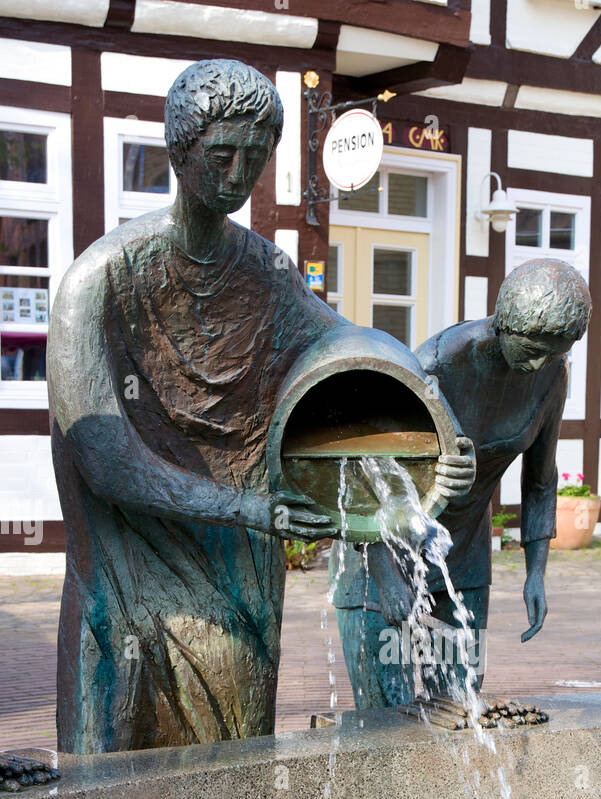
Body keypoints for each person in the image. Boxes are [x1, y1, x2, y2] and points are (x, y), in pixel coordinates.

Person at [48, 59, 473, 753]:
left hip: (233, 553)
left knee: (238, 750)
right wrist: (251, 510)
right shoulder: (97, 282)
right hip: (132, 549)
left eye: (256, 156)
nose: (238, 175)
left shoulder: (266, 271)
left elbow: (346, 339)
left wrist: (437, 420)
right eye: (220, 155)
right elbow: (106, 459)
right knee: (114, 760)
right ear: (179, 151)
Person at [330, 258, 592, 707]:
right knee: (386, 721)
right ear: (503, 325)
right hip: (381, 553)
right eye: (531, 347)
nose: (540, 362)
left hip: (465, 556)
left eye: (556, 350)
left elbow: (541, 481)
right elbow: (364, 466)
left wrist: (535, 573)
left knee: (460, 704)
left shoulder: (552, 374)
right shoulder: (438, 363)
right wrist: (388, 577)